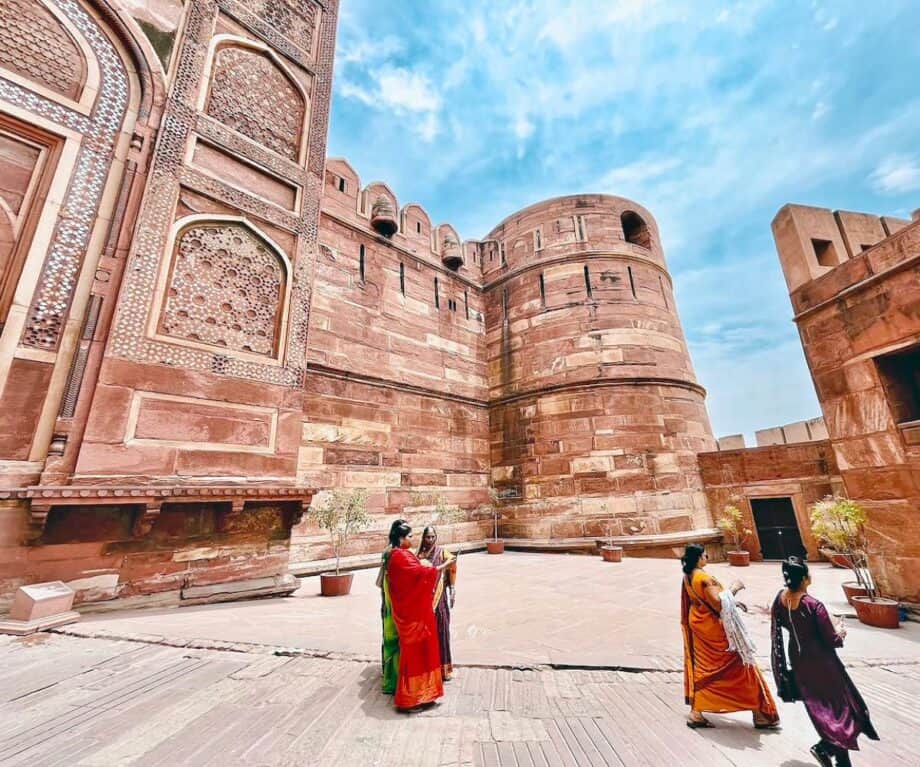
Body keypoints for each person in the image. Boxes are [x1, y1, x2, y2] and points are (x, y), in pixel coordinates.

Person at [771, 556, 879, 767]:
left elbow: (782, 623)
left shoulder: (780, 599)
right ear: (804, 579)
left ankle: (839, 758)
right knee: (845, 709)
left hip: (799, 659)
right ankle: (826, 748)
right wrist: (840, 631)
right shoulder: (813, 605)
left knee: (823, 708)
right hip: (822, 661)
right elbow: (832, 640)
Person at [680, 543, 779, 729]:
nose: (707, 558)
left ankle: (697, 712)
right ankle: (759, 713)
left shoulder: (688, 576)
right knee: (742, 668)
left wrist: (734, 602)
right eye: (705, 555)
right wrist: (734, 588)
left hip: (700, 625)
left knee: (706, 670)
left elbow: (706, 601)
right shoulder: (703, 578)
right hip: (715, 631)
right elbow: (718, 603)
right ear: (699, 558)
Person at [385, 519, 452, 712]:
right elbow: (422, 573)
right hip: (414, 617)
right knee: (415, 658)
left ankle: (424, 694)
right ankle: (411, 699)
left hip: (412, 615)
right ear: (401, 538)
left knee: (421, 656)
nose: (412, 539)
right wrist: (444, 565)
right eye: (410, 536)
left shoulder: (397, 555)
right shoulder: (401, 556)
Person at [417, 526, 457, 681]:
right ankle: (429, 669)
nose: (430, 540)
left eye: (433, 536)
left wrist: (452, 589)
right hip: (424, 601)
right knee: (427, 635)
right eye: (427, 537)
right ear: (423, 538)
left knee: (442, 632)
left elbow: (452, 565)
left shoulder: (441, 553)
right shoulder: (419, 555)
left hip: (439, 600)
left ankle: (444, 670)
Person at [375, 520, 403, 695]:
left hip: (388, 601)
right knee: (393, 640)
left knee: (389, 639)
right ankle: (392, 679)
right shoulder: (392, 553)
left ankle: (389, 674)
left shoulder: (391, 552)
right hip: (392, 603)